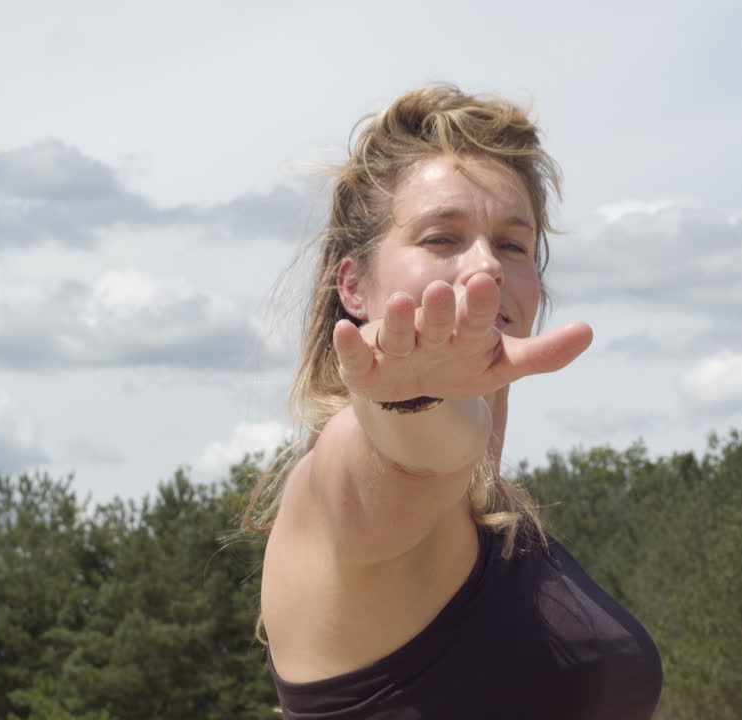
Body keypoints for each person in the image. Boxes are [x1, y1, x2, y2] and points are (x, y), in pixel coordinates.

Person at [247, 85, 662, 719]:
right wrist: (409, 398)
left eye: (512, 244)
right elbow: (412, 459)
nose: (485, 268)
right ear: (354, 287)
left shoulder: (504, 526)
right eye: (442, 238)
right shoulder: (338, 476)